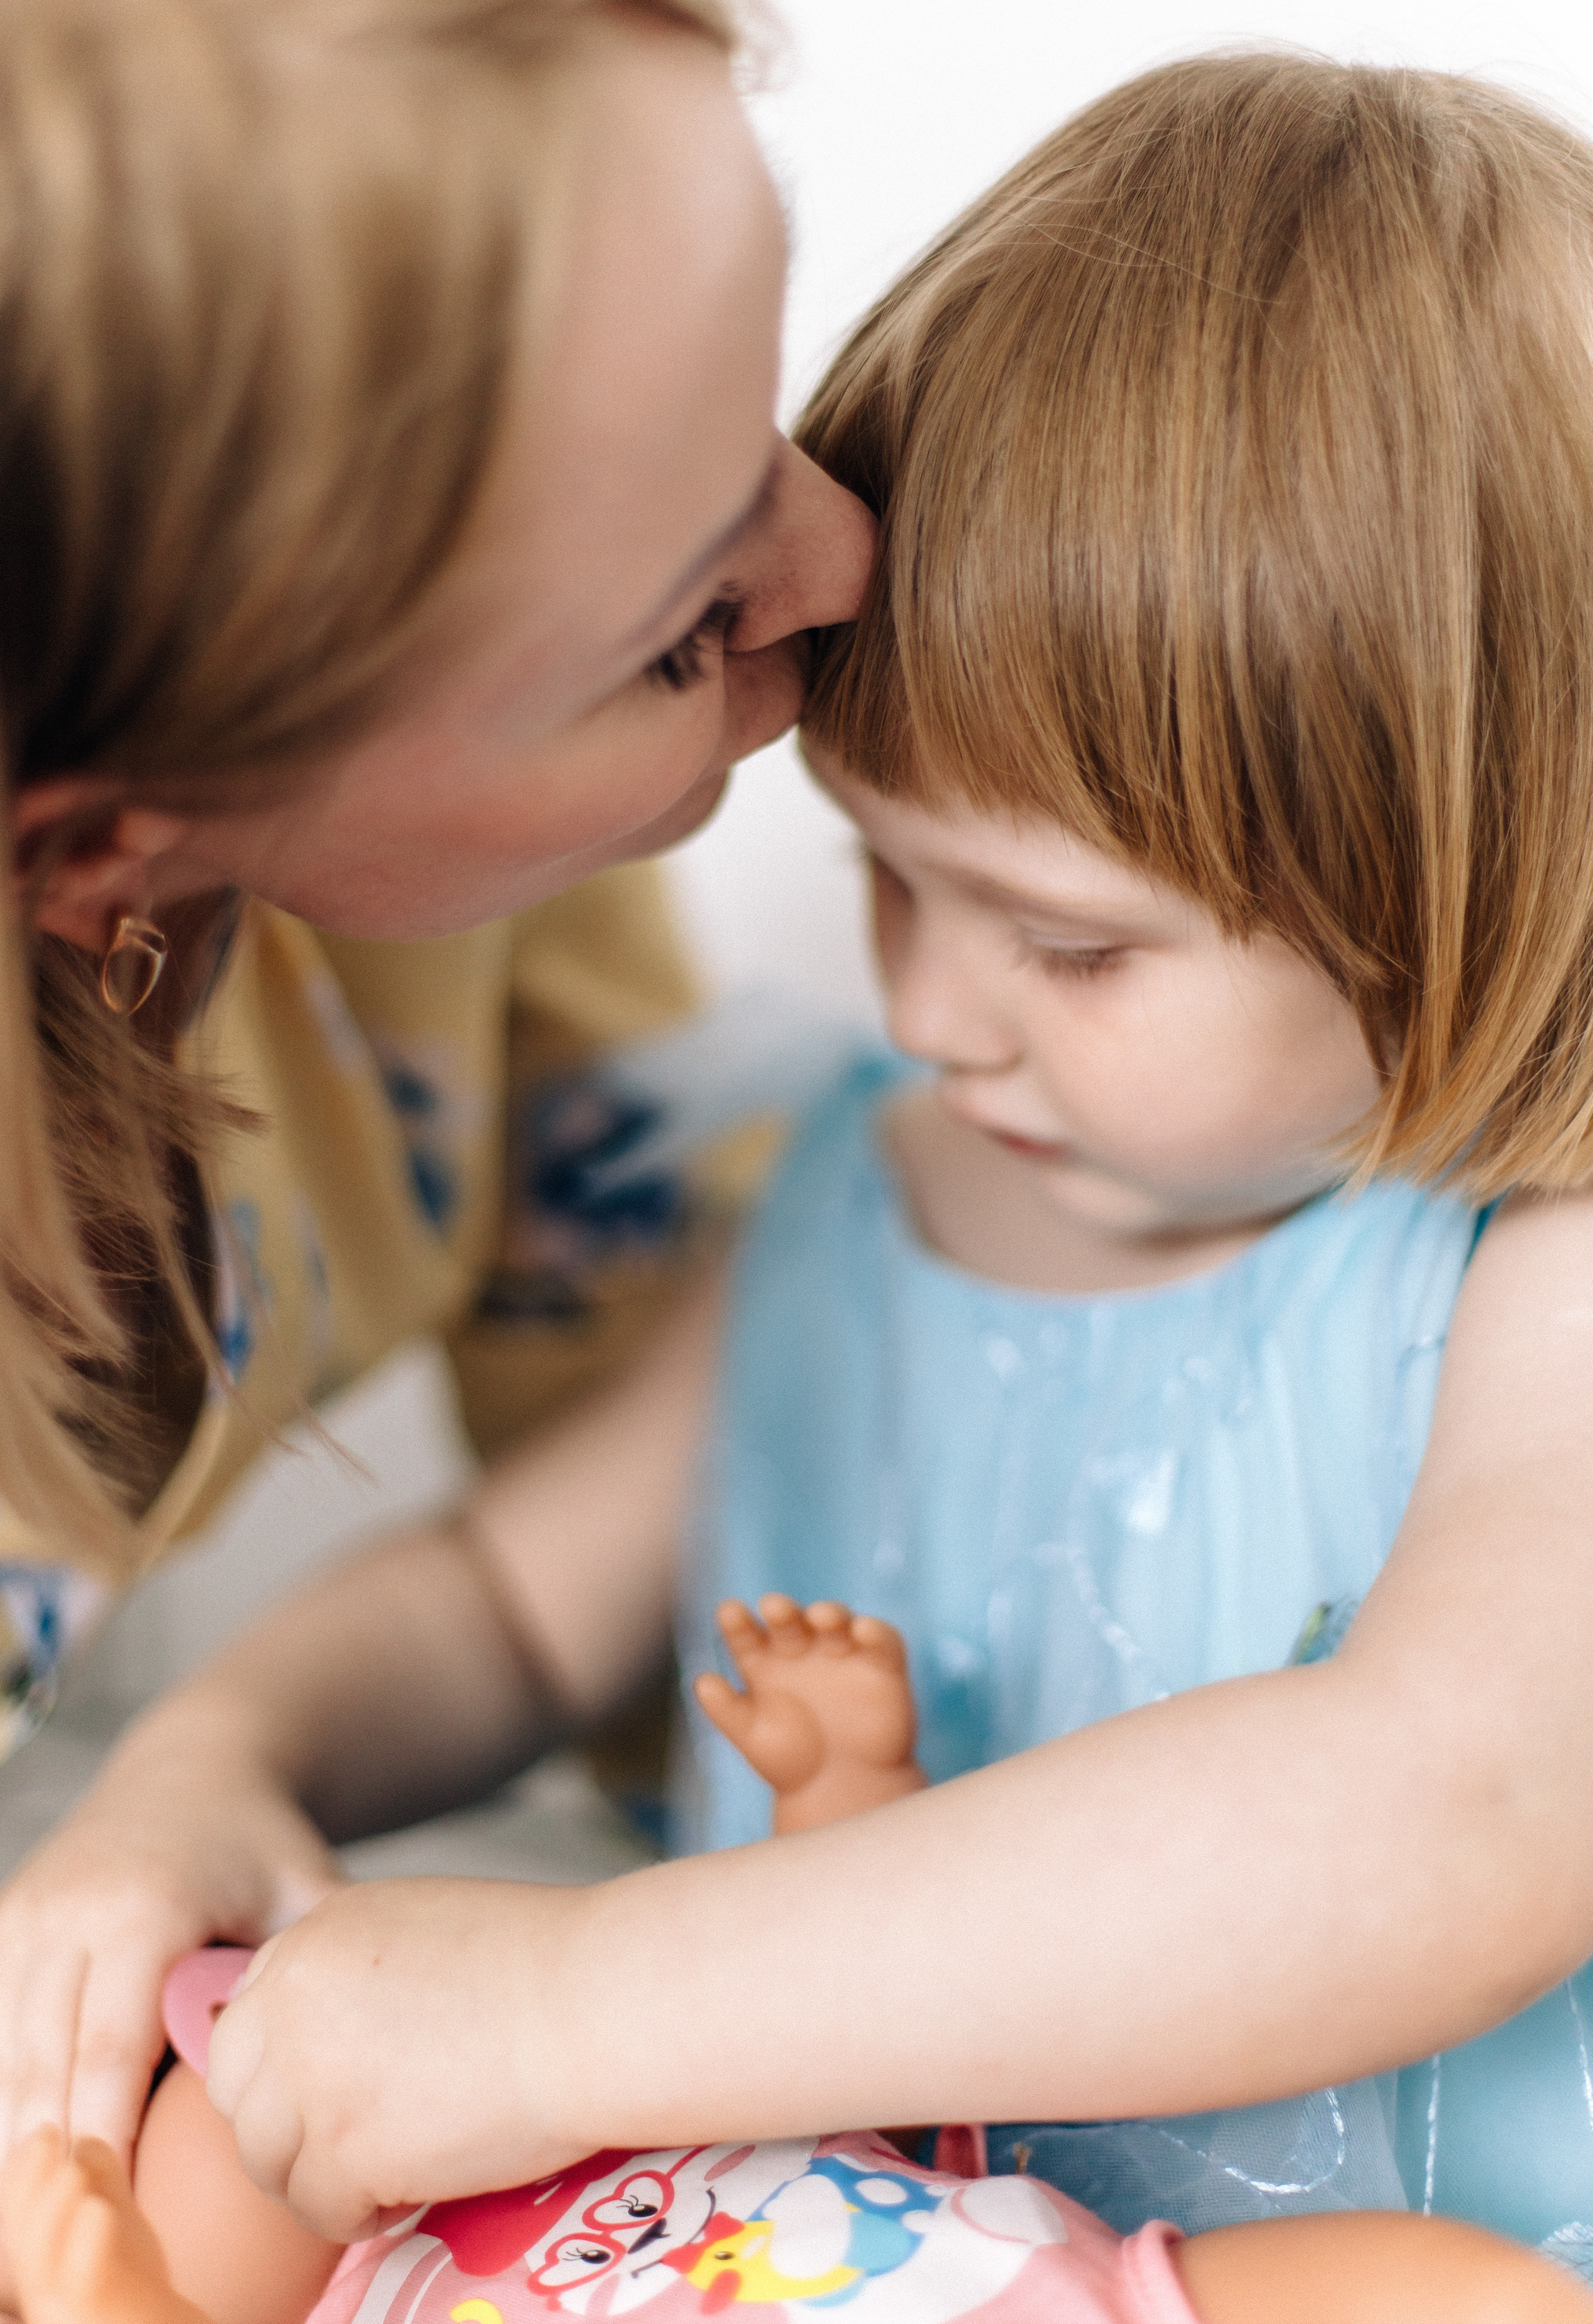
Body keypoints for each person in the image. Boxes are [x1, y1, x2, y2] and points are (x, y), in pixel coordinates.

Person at [11, 30, 1593, 2303]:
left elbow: (1454, 1812)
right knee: (182, 2137)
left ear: (1474, 878)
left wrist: (567, 2007)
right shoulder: (869, 1192)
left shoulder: (1533, 1275)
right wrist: (207, 1758)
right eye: (885, 877)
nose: (933, 1014)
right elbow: (492, 1605)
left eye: (1067, 940)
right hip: (861, 2249)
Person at [0, 0, 872, 2271]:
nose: (851, 558)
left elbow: (695, 1488)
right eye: (685, 624)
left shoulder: (469, 939)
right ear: (105, 842)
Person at [1, 1610, 1586, 2324]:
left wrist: (835, 1796)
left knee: (1461, 2293)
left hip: (1042, 2288)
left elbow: (846, 2006)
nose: (220, 2054)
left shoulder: (517, 2100)